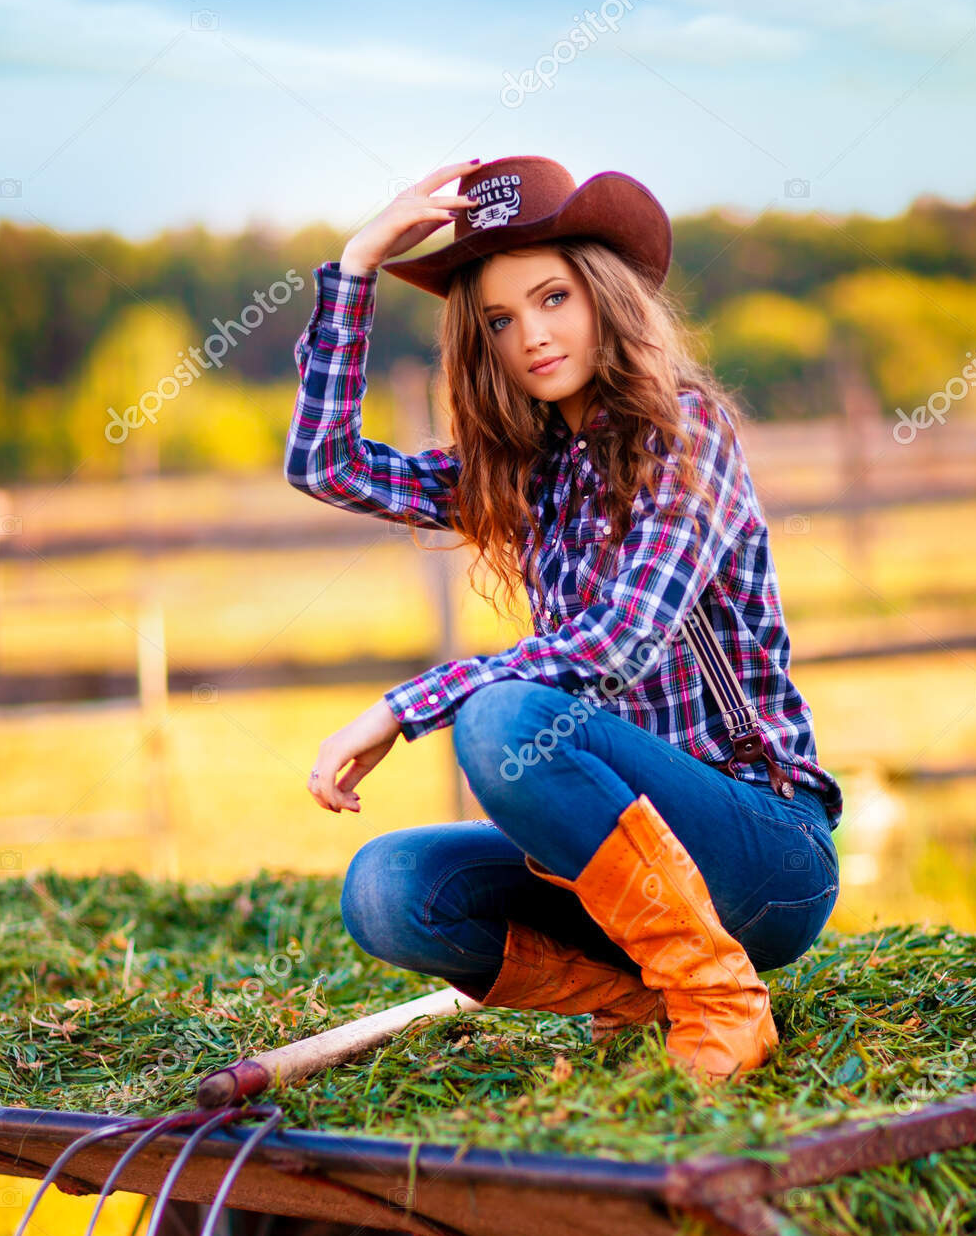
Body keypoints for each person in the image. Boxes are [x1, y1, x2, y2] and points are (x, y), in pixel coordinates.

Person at [284, 154, 843, 1083]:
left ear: (604, 297)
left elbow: (617, 643)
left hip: (763, 851)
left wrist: (402, 706)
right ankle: (643, 998)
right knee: (387, 890)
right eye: (499, 320)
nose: (530, 336)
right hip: (617, 872)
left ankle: (718, 997)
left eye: (551, 298)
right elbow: (325, 464)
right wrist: (356, 264)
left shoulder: (685, 431)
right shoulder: (522, 471)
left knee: (505, 716)